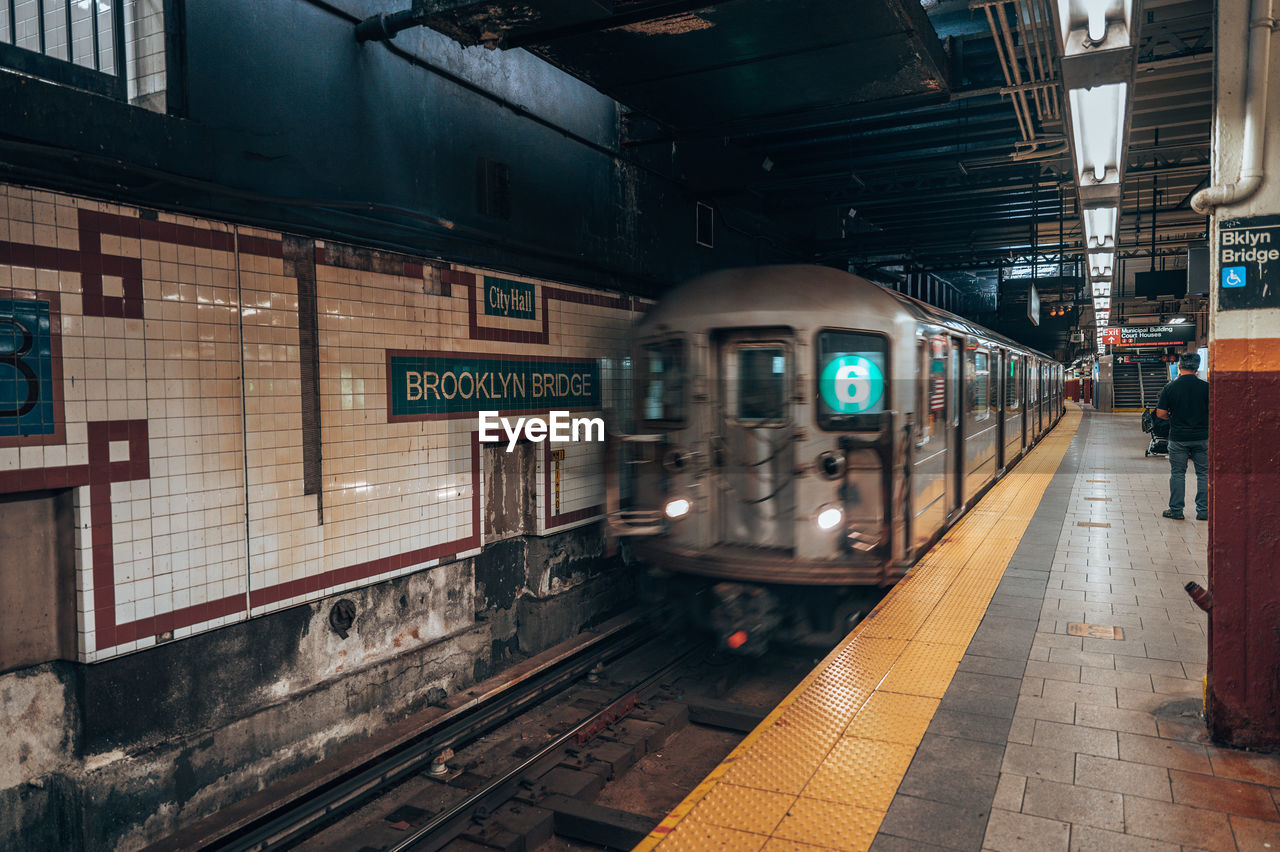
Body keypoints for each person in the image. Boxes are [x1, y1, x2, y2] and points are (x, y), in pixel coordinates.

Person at [1155, 352, 1209, 520]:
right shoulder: (1207, 387)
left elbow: (1161, 413)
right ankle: (1203, 512)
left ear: (1179, 366)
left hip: (1178, 437)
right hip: (1202, 436)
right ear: (1197, 367)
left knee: (1178, 473)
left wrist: (1174, 417)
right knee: (1203, 474)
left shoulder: (1170, 387)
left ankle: (1176, 511)